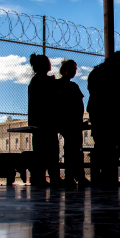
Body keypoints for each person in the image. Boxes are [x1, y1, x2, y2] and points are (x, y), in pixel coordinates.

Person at [86, 51, 120, 187]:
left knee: (101, 145)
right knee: (114, 147)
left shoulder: (96, 72)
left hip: (98, 114)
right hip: (114, 115)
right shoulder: (118, 75)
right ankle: (109, 176)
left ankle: (99, 176)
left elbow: (92, 91)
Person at [27, 53, 62, 186]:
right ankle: (54, 177)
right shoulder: (46, 81)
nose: (50, 64)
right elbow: (54, 98)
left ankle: (39, 177)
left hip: (37, 122)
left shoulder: (34, 81)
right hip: (47, 121)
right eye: (48, 61)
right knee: (52, 152)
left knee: (40, 152)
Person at [56, 59, 90, 187]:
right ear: (64, 70)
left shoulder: (71, 86)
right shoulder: (63, 86)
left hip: (72, 121)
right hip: (68, 121)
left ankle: (73, 176)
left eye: (75, 69)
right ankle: (76, 176)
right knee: (74, 150)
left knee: (73, 150)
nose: (74, 71)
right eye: (72, 68)